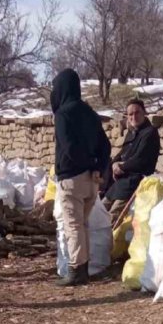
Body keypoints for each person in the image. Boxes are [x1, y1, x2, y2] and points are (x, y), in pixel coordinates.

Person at [51, 68, 111, 287]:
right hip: (91, 179)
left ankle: (76, 271)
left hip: (71, 178)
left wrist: (82, 164)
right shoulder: (89, 112)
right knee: (83, 224)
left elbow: (68, 146)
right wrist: (98, 166)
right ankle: (83, 268)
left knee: (73, 225)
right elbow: (105, 144)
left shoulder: (63, 114)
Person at [103, 98, 160, 219]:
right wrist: (114, 164)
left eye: (137, 113)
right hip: (119, 183)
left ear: (144, 113)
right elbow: (122, 153)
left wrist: (121, 166)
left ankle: (105, 238)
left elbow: (141, 160)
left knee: (111, 218)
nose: (133, 117)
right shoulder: (132, 132)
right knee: (98, 211)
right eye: (130, 114)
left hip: (134, 182)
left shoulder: (150, 133)